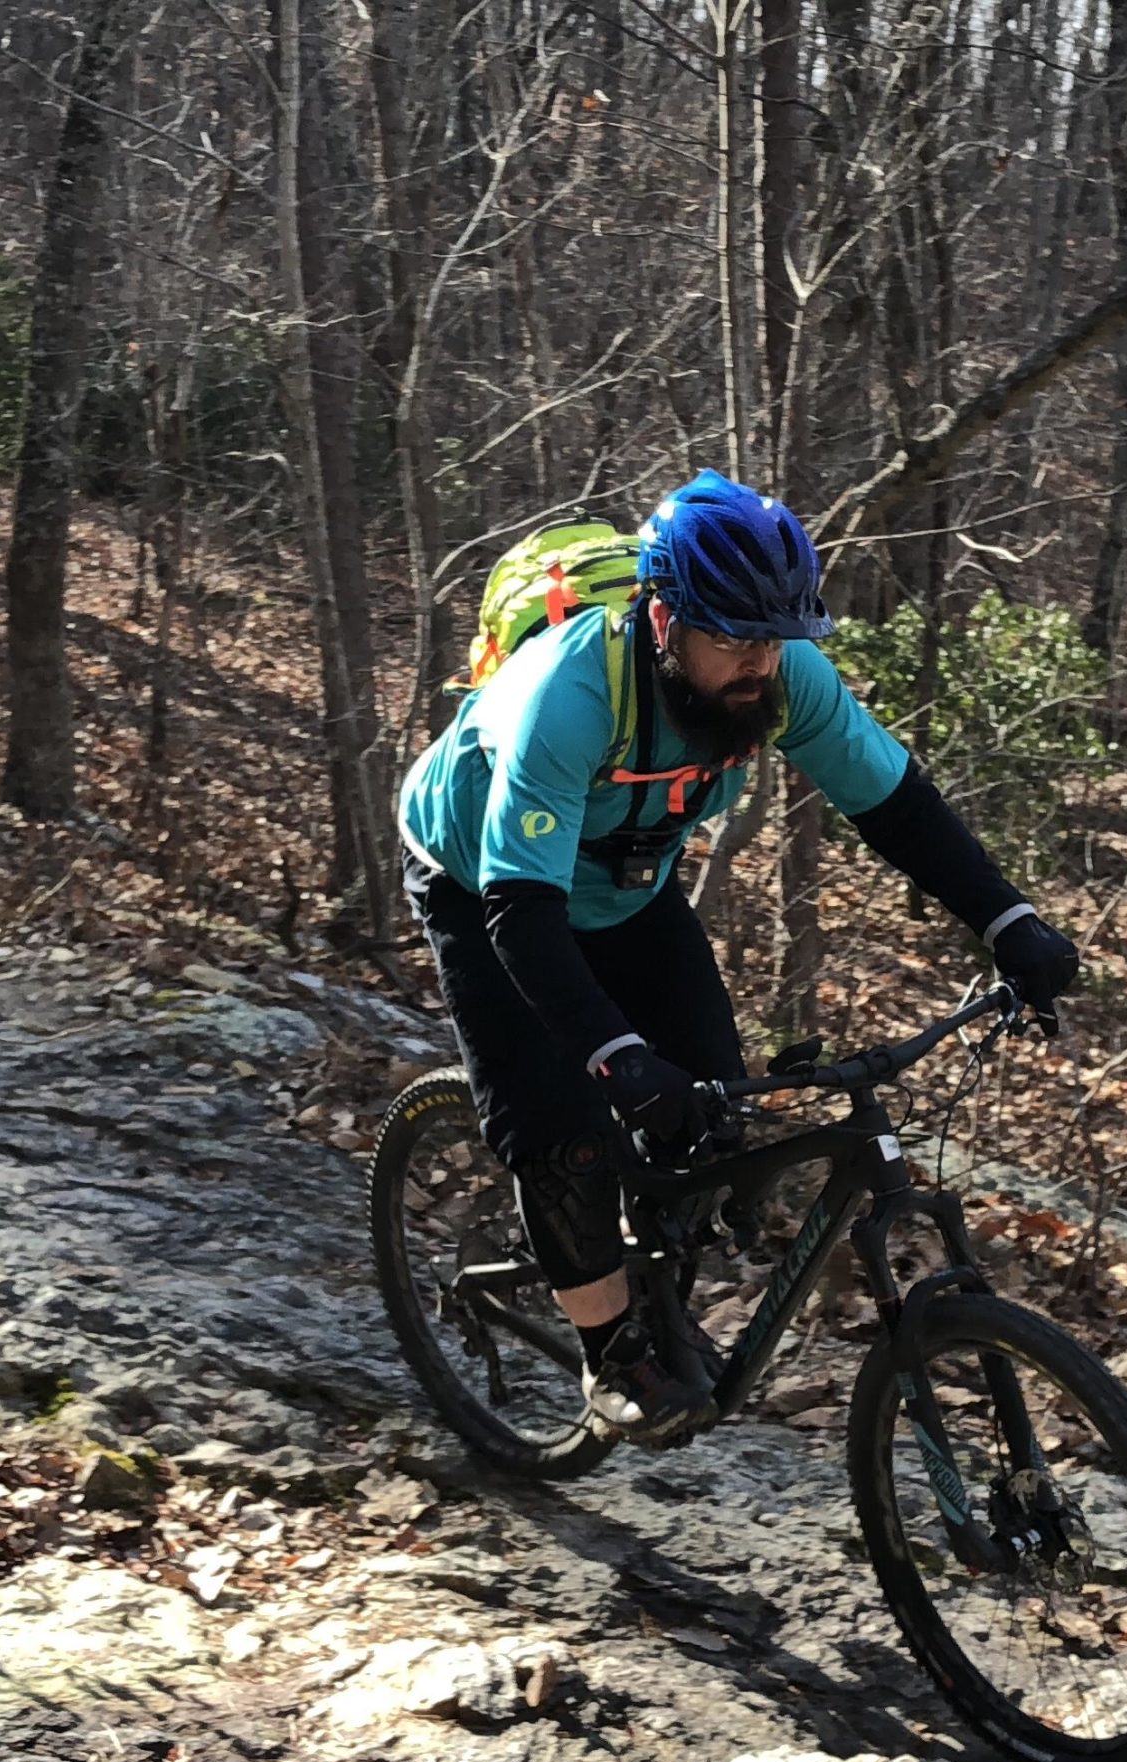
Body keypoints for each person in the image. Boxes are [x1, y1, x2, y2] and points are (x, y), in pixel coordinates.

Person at [397, 468, 1079, 1436]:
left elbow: (891, 803)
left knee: (711, 1108)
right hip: (487, 885)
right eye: (731, 635)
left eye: (773, 635)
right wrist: (610, 1056)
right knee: (565, 1130)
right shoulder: (570, 696)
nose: (757, 661)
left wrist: (1007, 920)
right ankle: (610, 1352)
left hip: (624, 884)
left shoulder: (777, 671)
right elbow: (523, 918)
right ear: (663, 619)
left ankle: (656, 1269)